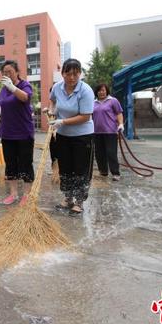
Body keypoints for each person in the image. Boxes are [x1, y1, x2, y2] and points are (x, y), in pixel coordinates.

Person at [48, 58, 95, 214]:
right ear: (63, 74)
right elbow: (52, 101)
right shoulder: (57, 87)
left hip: (83, 136)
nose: (72, 77)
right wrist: (52, 111)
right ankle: (68, 198)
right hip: (63, 136)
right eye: (68, 74)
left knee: (81, 169)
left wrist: (63, 121)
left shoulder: (85, 90)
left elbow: (85, 116)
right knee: (66, 168)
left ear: (80, 74)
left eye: (76, 74)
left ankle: (79, 201)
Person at [0, 60, 35, 205]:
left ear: (17, 72)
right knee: (10, 164)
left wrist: (12, 87)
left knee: (26, 163)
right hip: (7, 133)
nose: (7, 75)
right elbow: (4, 103)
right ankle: (13, 194)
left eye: (9, 72)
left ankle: (26, 194)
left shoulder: (23, 85)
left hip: (23, 132)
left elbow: (25, 97)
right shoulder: (3, 89)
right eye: (4, 73)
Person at [92, 83, 124, 181]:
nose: (101, 92)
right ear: (96, 92)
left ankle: (115, 173)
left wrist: (120, 124)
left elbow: (119, 113)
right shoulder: (93, 102)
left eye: (103, 90)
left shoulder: (113, 101)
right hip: (96, 132)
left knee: (111, 152)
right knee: (99, 153)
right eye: (99, 90)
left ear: (107, 91)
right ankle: (103, 171)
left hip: (110, 131)